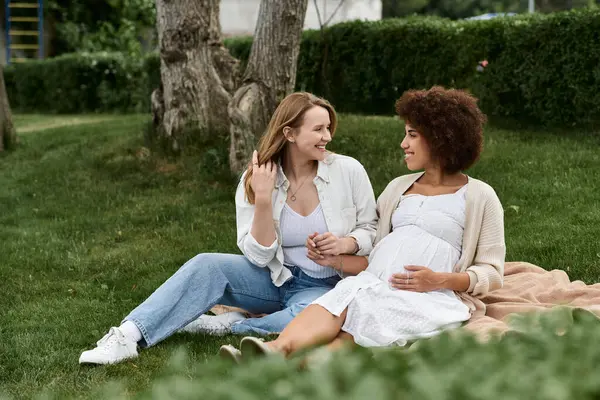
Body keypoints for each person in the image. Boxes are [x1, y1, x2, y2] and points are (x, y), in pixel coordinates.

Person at [79, 92, 378, 365]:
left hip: (324, 287)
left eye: (328, 128)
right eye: (318, 129)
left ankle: (230, 324)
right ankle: (127, 336)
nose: (327, 136)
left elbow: (370, 228)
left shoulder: (348, 171)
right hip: (274, 278)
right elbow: (259, 258)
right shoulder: (258, 177)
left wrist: (345, 244)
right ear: (289, 133)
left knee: (316, 317)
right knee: (207, 265)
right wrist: (263, 198)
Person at [223, 86, 505, 360]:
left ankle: (299, 367)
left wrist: (438, 280)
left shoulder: (479, 196)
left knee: (359, 319)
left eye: (412, 135)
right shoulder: (398, 188)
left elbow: (492, 272)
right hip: (373, 283)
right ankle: (274, 351)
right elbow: (377, 254)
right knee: (342, 298)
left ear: (440, 138)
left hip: (429, 295)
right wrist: (334, 260)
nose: (403, 144)